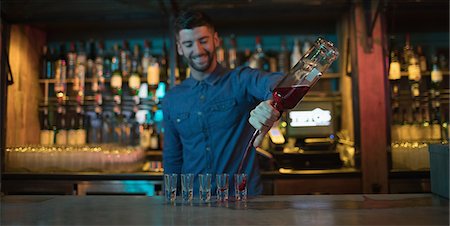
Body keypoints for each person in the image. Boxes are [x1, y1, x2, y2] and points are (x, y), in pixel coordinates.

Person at [162, 10, 283, 197]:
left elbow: (277, 82)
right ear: (180, 48)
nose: (198, 50)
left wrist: (271, 102)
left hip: (243, 201)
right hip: (195, 202)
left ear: (216, 40)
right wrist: (169, 202)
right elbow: (172, 159)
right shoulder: (172, 99)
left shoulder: (240, 80)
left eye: (203, 40)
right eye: (188, 44)